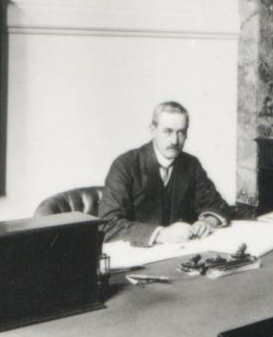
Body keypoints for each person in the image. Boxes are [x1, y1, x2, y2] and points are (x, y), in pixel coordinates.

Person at [99, 101, 231, 246]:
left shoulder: (191, 164)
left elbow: (217, 204)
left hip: (182, 253)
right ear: (153, 130)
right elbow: (108, 225)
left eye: (181, 132)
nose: (175, 140)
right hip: (140, 257)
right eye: (167, 131)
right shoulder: (125, 165)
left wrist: (208, 221)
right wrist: (161, 234)